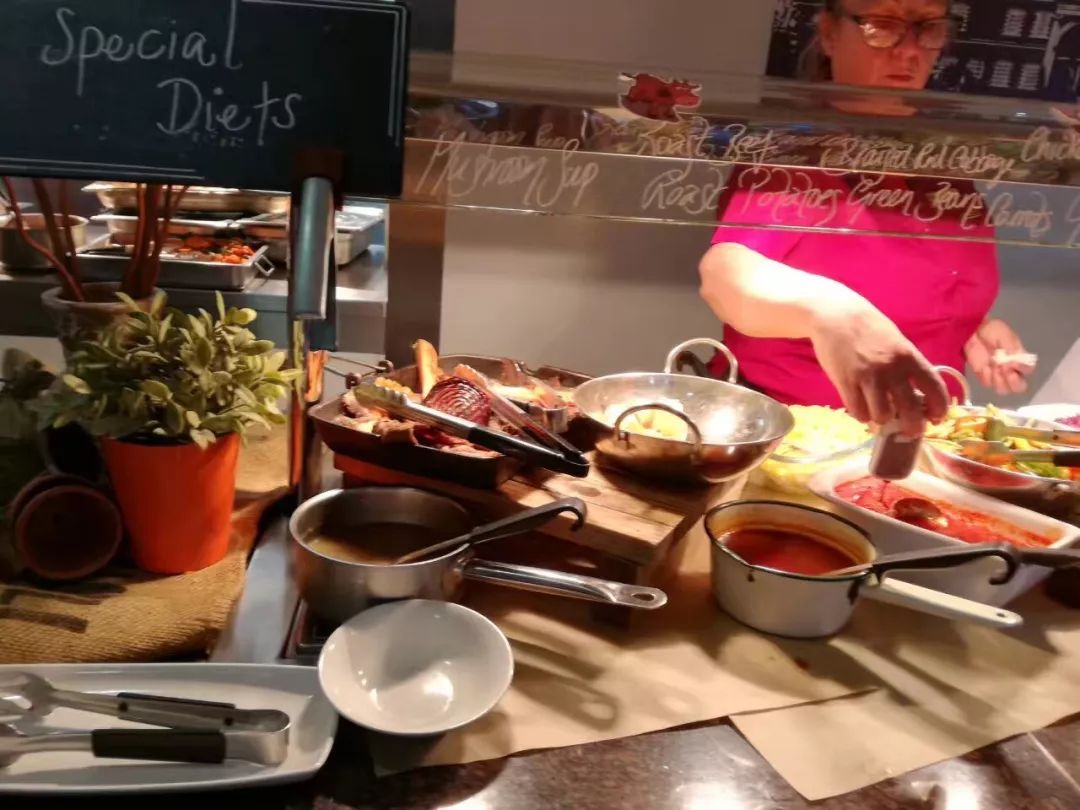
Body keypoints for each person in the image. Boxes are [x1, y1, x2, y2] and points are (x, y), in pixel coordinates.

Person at [698, 0, 1031, 437]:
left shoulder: (940, 156)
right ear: (830, 33)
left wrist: (969, 327)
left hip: (922, 437)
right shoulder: (799, 151)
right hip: (798, 439)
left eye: (928, 28)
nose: (909, 50)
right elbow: (726, 277)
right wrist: (831, 311)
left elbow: (914, 279)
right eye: (882, 25)